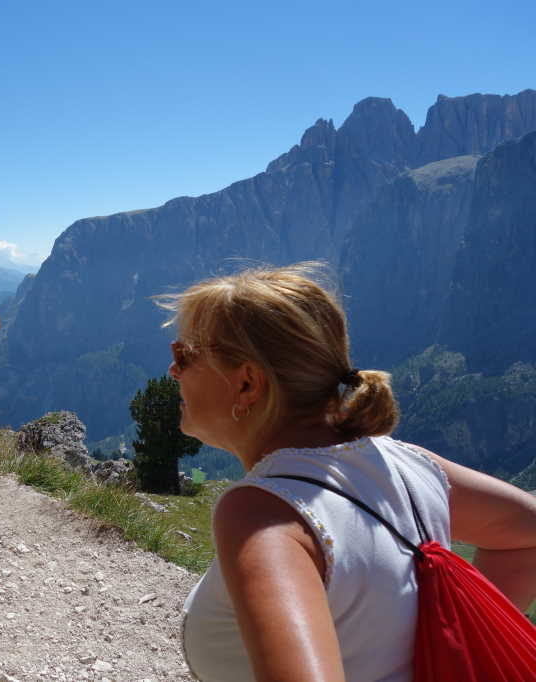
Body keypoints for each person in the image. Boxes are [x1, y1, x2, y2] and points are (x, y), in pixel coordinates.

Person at [164, 263, 536, 682]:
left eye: (185, 355)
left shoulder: (262, 511)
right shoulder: (409, 464)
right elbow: (527, 533)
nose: (174, 370)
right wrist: (454, 653)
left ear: (247, 384)